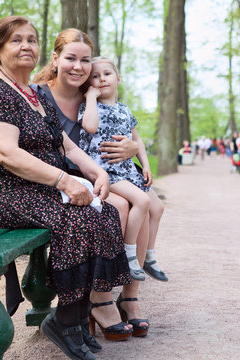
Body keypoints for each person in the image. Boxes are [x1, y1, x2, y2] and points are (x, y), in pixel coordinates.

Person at [0, 17, 132, 360]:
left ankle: (79, 317)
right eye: (15, 41)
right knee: (77, 219)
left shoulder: (34, 94)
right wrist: (64, 180)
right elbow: (6, 153)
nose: (26, 46)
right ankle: (64, 321)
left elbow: (66, 145)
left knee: (106, 214)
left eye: (31, 40)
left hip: (28, 189)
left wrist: (97, 172)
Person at [31, 29, 154, 338]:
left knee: (149, 205)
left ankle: (130, 297)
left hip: (96, 175)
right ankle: (100, 298)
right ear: (56, 59)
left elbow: (121, 131)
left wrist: (130, 147)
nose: (78, 66)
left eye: (85, 60)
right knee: (119, 205)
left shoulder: (94, 93)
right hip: (56, 180)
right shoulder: (38, 95)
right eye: (71, 58)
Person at [78, 56, 167, 284]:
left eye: (106, 74)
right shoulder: (91, 107)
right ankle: (129, 255)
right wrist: (89, 97)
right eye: (95, 77)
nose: (101, 79)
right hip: (106, 171)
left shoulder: (124, 110)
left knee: (157, 207)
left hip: (128, 170)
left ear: (118, 78)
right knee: (142, 201)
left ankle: (149, 255)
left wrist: (145, 165)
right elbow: (89, 126)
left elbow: (136, 139)